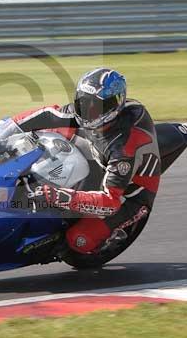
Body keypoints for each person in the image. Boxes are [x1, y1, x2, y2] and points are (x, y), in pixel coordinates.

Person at [13, 68, 162, 255]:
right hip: (98, 155)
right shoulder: (84, 113)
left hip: (130, 194)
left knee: (79, 240)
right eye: (83, 102)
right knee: (47, 135)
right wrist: (2, 127)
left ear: (113, 106)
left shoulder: (123, 148)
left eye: (96, 106)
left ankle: (112, 235)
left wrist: (59, 196)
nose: (87, 111)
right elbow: (48, 114)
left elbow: (110, 202)